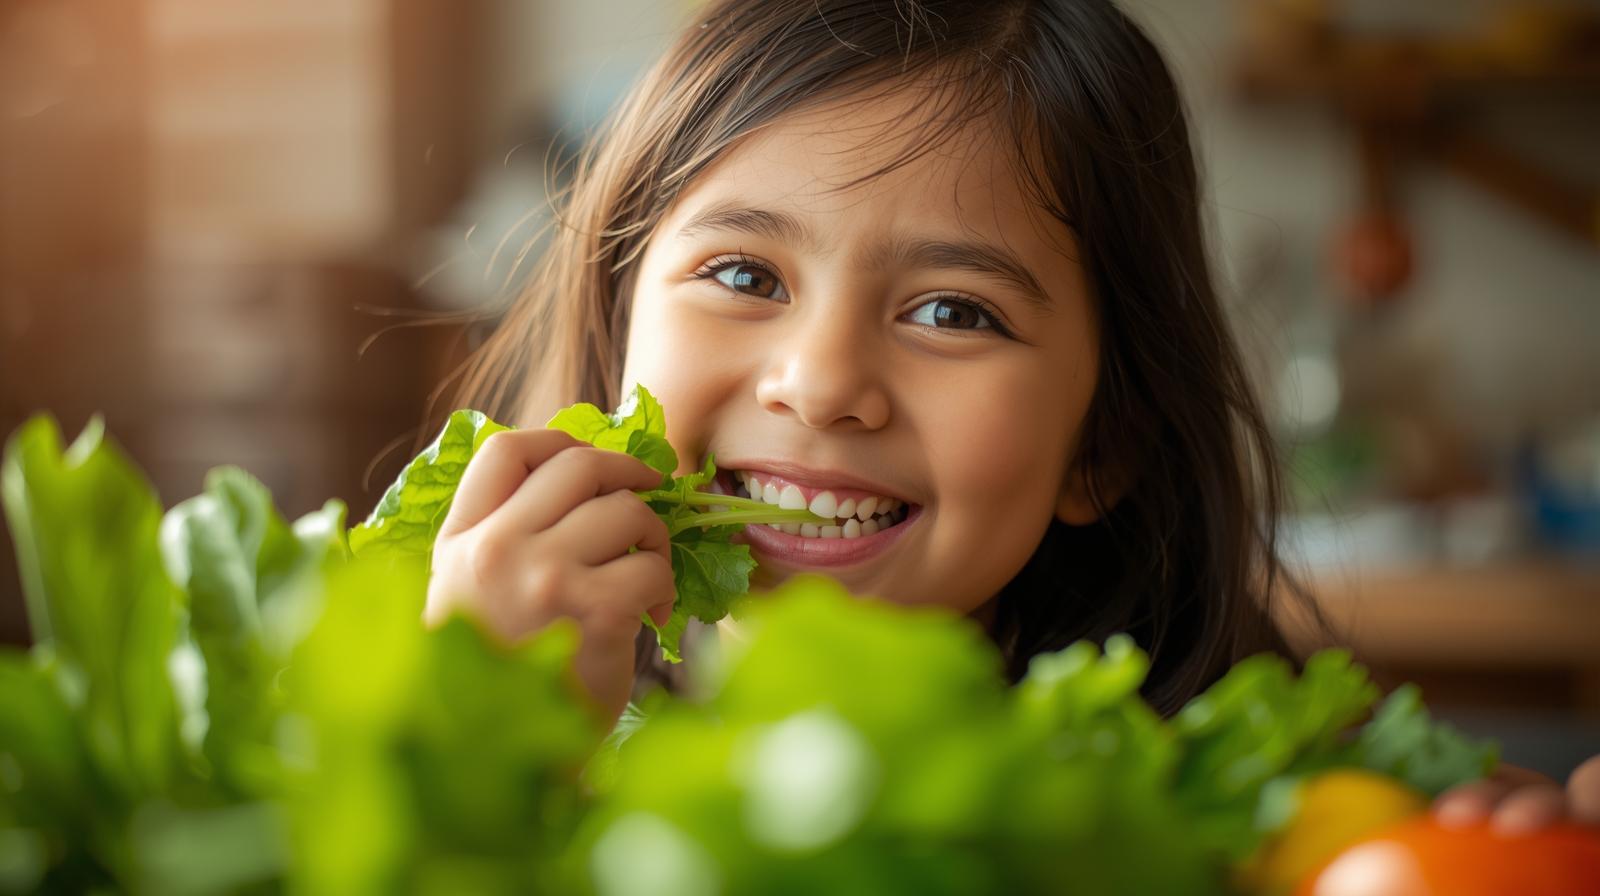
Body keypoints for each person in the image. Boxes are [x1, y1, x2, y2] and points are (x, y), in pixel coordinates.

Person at [419, 0, 1599, 832]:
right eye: (743, 275)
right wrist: (474, 762)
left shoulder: (1241, 821)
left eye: (951, 310)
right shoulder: (487, 728)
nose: (821, 381)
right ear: (618, 329)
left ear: (1104, 441)